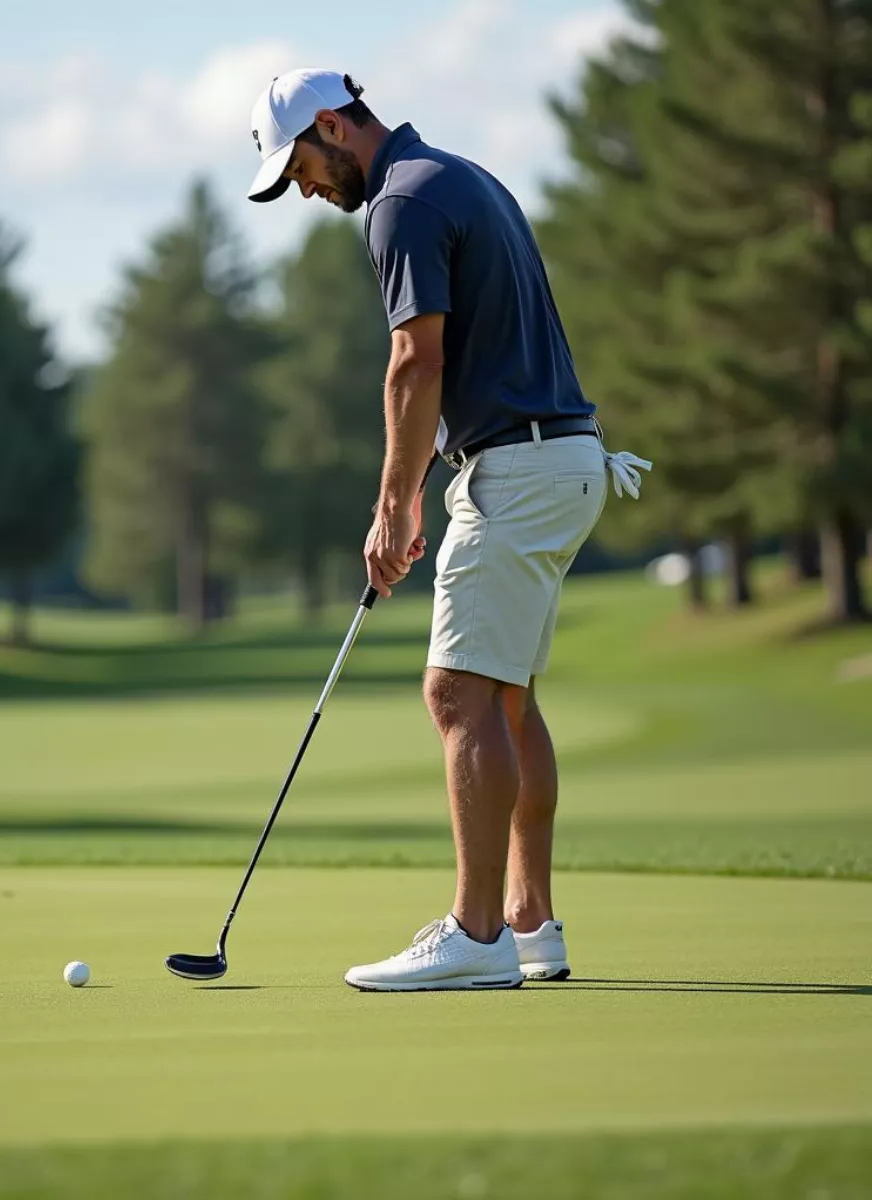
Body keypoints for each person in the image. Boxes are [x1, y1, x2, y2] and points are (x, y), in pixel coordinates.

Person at [247, 68, 650, 991]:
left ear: (330, 127)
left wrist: (394, 504)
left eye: (299, 168)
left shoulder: (398, 204)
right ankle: (528, 922)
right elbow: (475, 356)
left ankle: (474, 939)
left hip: (519, 469)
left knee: (455, 696)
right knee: (507, 699)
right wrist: (429, 466)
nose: (304, 190)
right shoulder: (460, 178)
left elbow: (412, 363)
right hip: (564, 458)